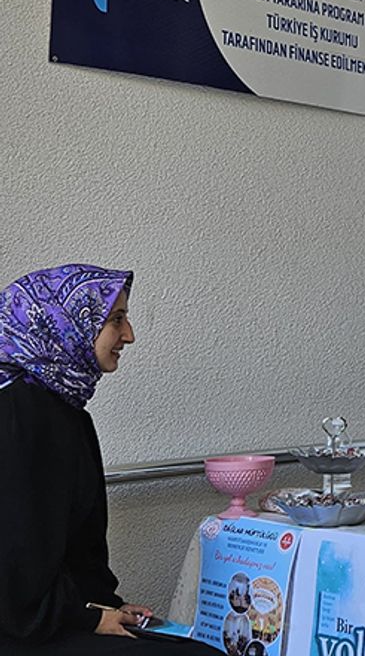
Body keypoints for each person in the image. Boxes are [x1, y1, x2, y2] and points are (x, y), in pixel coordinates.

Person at [0, 265, 220, 655]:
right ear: (64, 324)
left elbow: (71, 550)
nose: (129, 335)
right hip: (19, 629)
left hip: (48, 618)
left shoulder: (63, 411)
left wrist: (105, 606)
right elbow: (14, 566)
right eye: (116, 319)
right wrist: (91, 618)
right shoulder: (20, 412)